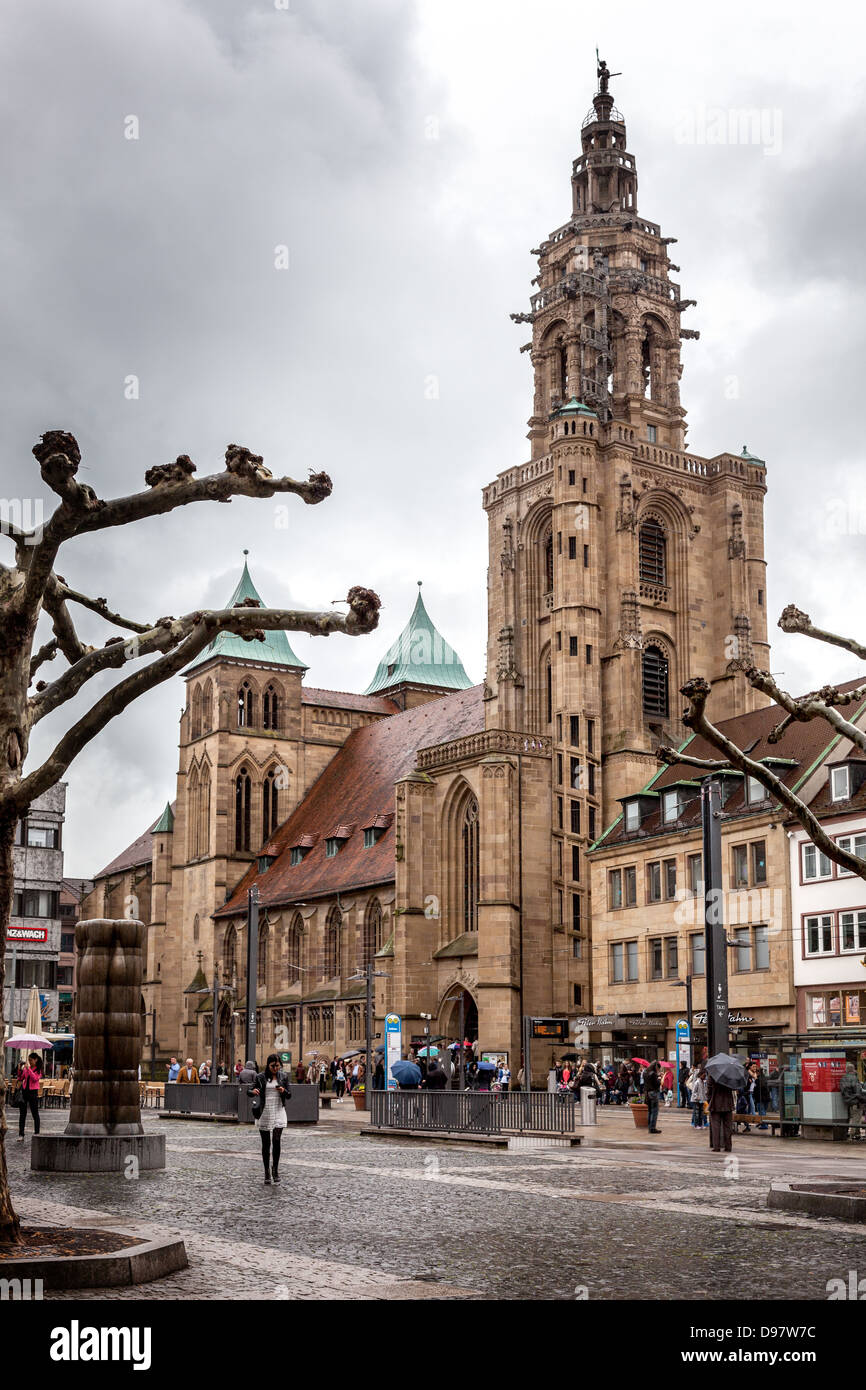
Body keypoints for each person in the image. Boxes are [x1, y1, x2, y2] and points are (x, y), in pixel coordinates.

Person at [250, 1053, 292, 1184]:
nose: (275, 1068)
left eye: (277, 1066)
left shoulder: (283, 1076)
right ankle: (267, 1171)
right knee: (266, 1143)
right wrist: (253, 1092)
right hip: (265, 1110)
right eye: (273, 1066)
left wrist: (283, 1091)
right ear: (268, 1065)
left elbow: (289, 1095)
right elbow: (250, 1090)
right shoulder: (260, 1077)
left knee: (277, 1140)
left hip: (279, 1109)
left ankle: (276, 1169)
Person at [16, 1052, 42, 1140]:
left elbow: (35, 1078)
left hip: (33, 1092)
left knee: (35, 1114)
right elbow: (20, 1078)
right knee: (22, 1114)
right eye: (29, 1060)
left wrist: (29, 1069)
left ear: (36, 1060)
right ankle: (21, 1134)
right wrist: (20, 1069)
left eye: (31, 1060)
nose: (29, 1062)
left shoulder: (38, 1070)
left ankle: (37, 1133)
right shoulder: (27, 1068)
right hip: (24, 1092)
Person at [707, 1072, 735, 1152]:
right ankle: (728, 1146)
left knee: (716, 1126)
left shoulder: (713, 1074)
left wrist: (709, 1100)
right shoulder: (730, 1075)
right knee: (728, 1127)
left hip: (716, 1103)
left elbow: (709, 1089)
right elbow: (734, 1087)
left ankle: (716, 1147)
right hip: (728, 1103)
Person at [840, 1063, 864, 1141]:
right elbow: (858, 1092)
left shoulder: (843, 1078)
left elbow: (844, 1091)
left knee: (853, 1118)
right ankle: (853, 1135)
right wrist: (862, 1099)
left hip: (847, 1101)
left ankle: (857, 1134)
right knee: (856, 1118)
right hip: (855, 1101)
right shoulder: (854, 1078)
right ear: (853, 1070)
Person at [644, 1060, 662, 1133]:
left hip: (647, 1093)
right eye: (658, 1068)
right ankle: (652, 1128)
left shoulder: (645, 1072)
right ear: (655, 1066)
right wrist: (659, 1078)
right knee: (654, 1111)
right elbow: (657, 1084)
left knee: (650, 1110)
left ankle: (649, 1127)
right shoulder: (653, 1074)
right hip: (653, 1093)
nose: (658, 1069)